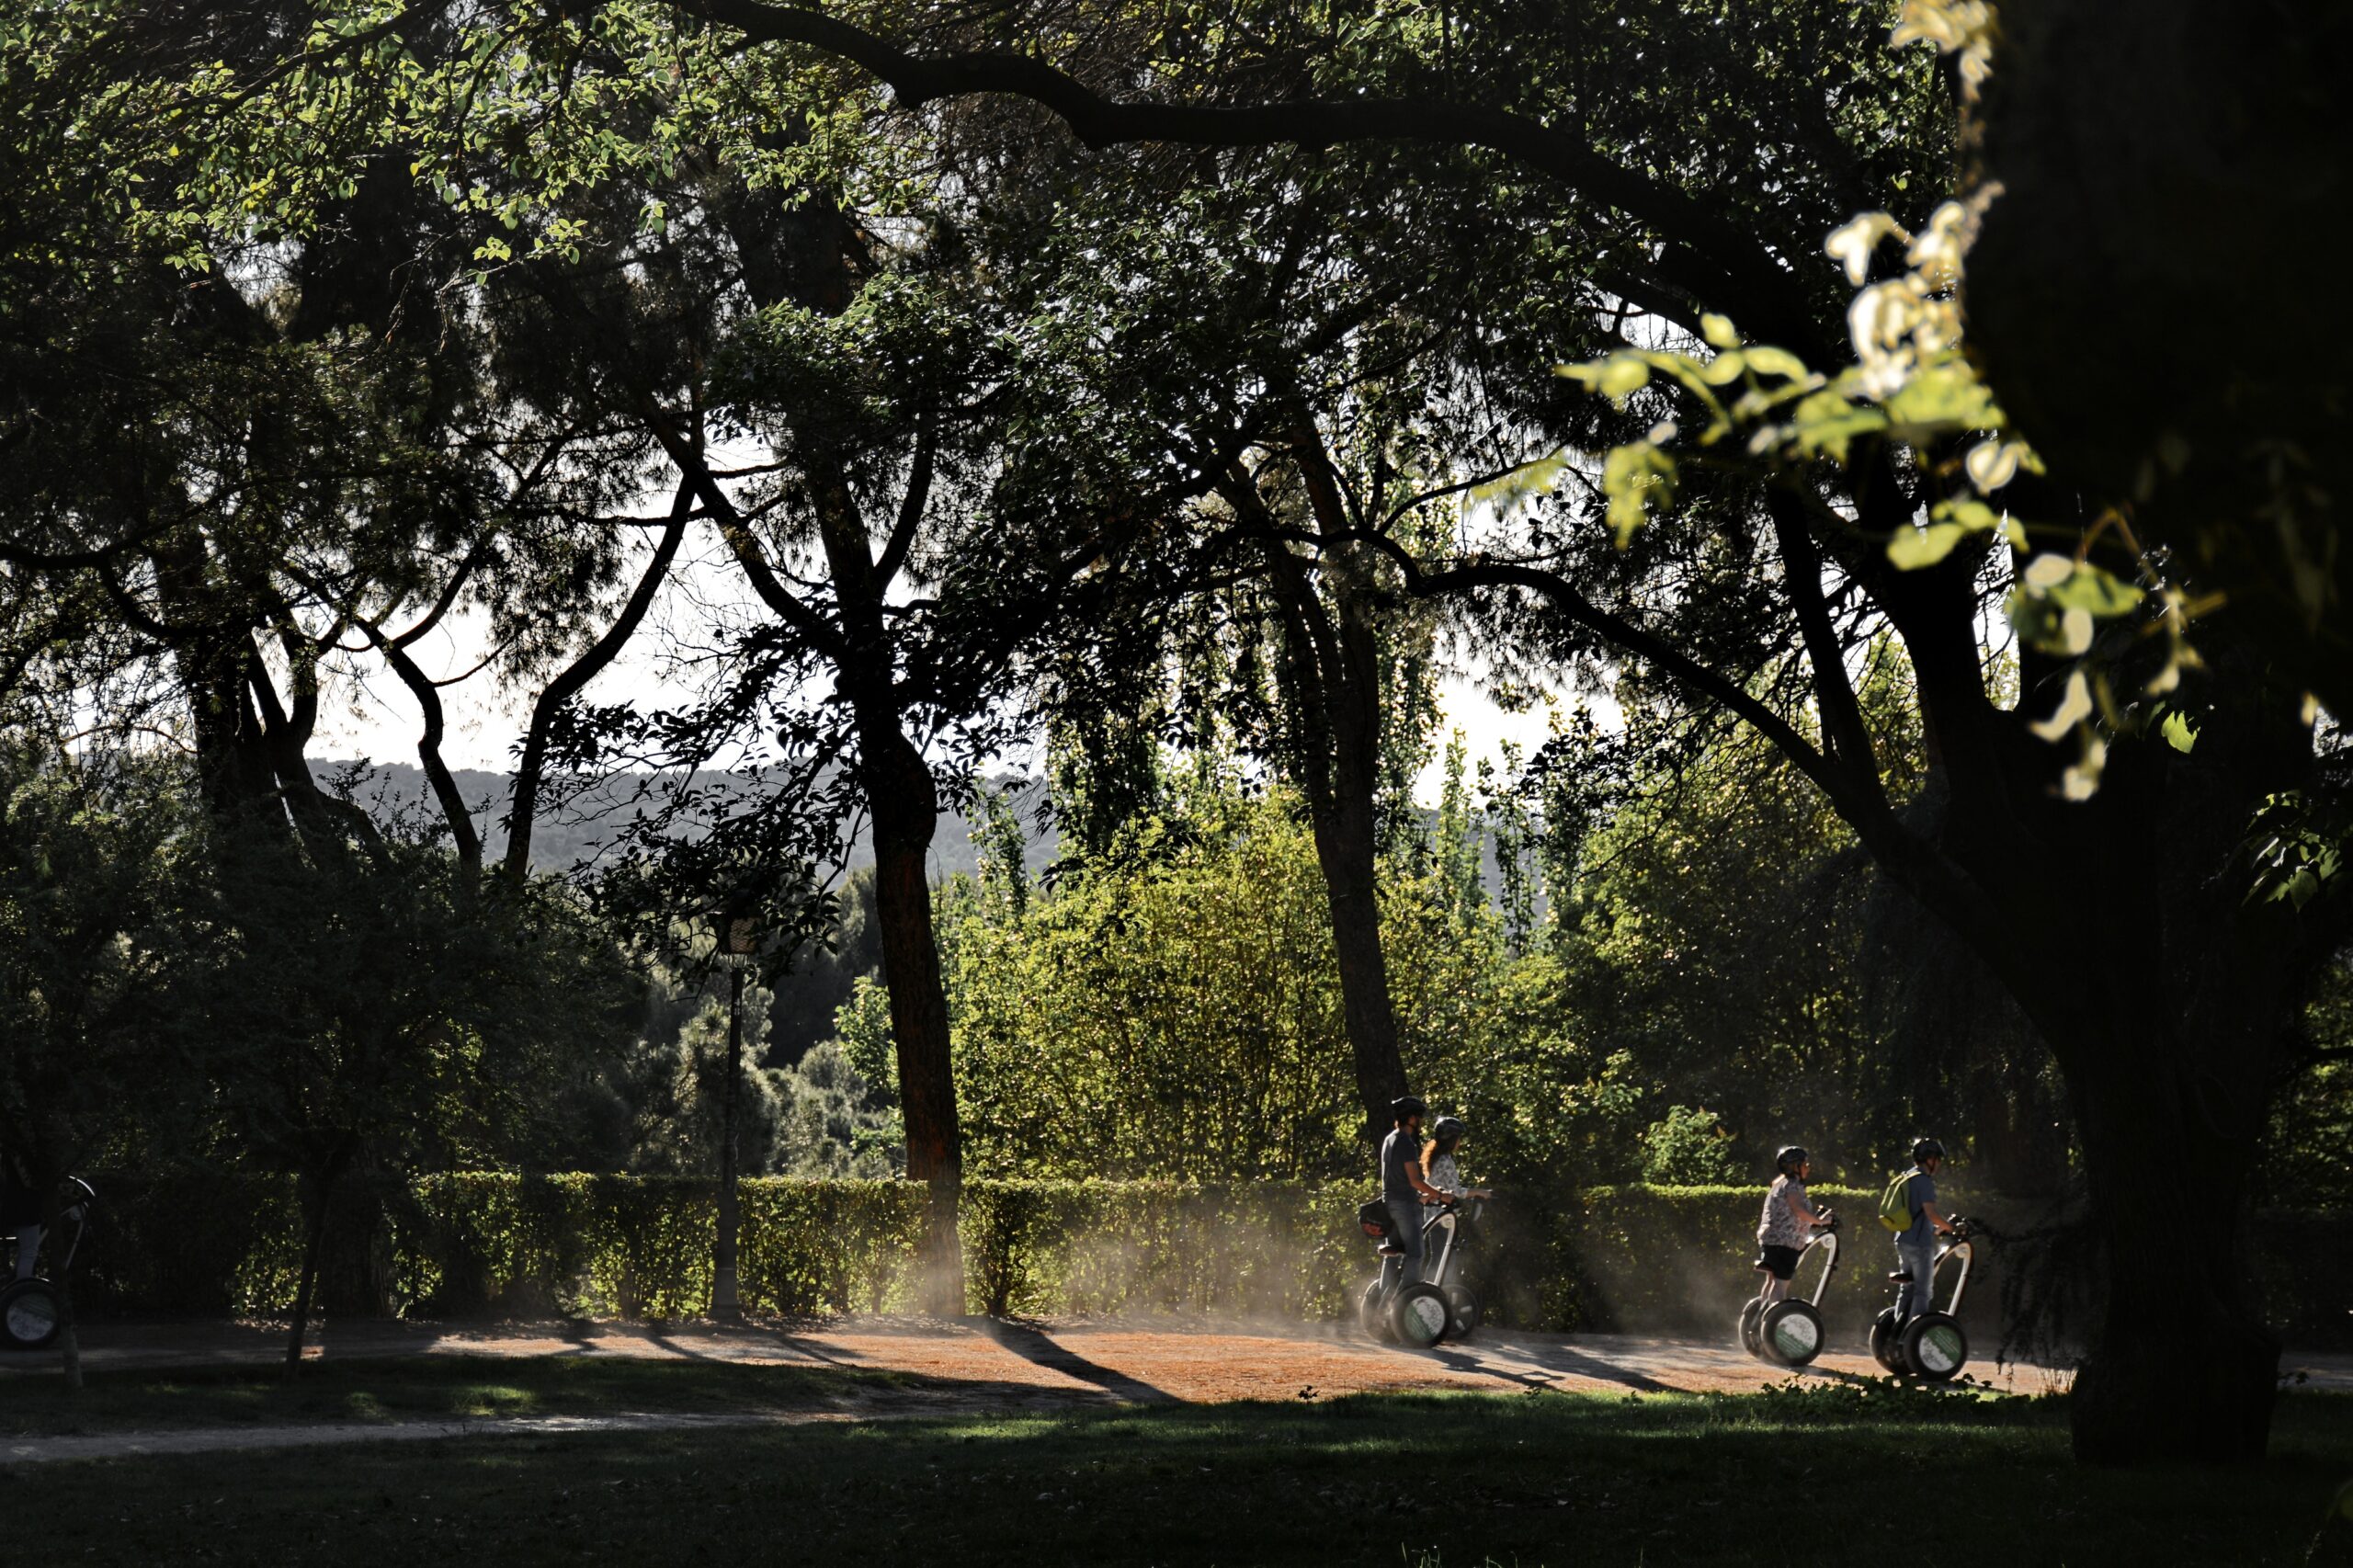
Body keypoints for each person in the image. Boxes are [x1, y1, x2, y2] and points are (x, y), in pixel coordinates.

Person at [1378, 1096, 1449, 1300]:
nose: (1421, 1121)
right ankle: (1403, 1304)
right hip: (1405, 1206)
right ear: (1410, 1118)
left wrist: (1423, 1195)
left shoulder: (1389, 1139)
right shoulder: (1406, 1143)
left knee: (1392, 1255)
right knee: (1416, 1254)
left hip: (1389, 1203)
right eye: (1419, 1116)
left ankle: (1383, 1305)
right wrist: (1440, 1195)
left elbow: (1397, 1178)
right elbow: (1414, 1179)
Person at [1754, 1145, 1834, 1304]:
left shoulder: (1780, 1183)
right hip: (1785, 1244)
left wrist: (1815, 1219)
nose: (1808, 1168)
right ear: (1795, 1167)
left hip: (1771, 1241)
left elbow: (1793, 1214)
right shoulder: (1792, 1185)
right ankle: (1773, 1321)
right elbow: (1798, 1210)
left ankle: (1760, 1317)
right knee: (1781, 1285)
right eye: (1805, 1164)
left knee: (1771, 1281)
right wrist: (1822, 1221)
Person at [1892, 1137, 1959, 1322]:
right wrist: (1951, 1228)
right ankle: (1913, 1335)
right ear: (1929, 1159)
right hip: (1920, 1245)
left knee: (1907, 1288)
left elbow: (1917, 1215)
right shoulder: (1924, 1181)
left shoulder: (1908, 1176)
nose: (1938, 1164)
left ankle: (1898, 1332)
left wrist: (1938, 1230)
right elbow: (1931, 1214)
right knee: (1923, 1291)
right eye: (1937, 1159)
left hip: (1903, 1240)